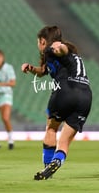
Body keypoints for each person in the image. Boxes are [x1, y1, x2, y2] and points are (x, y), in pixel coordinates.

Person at [21, 26, 92, 180]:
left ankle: (47, 166)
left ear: (43, 41)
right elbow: (43, 71)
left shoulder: (54, 50)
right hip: (85, 97)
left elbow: (62, 50)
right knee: (65, 141)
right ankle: (56, 162)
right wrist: (31, 68)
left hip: (65, 92)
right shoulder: (70, 56)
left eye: (38, 43)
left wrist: (59, 47)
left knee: (51, 129)